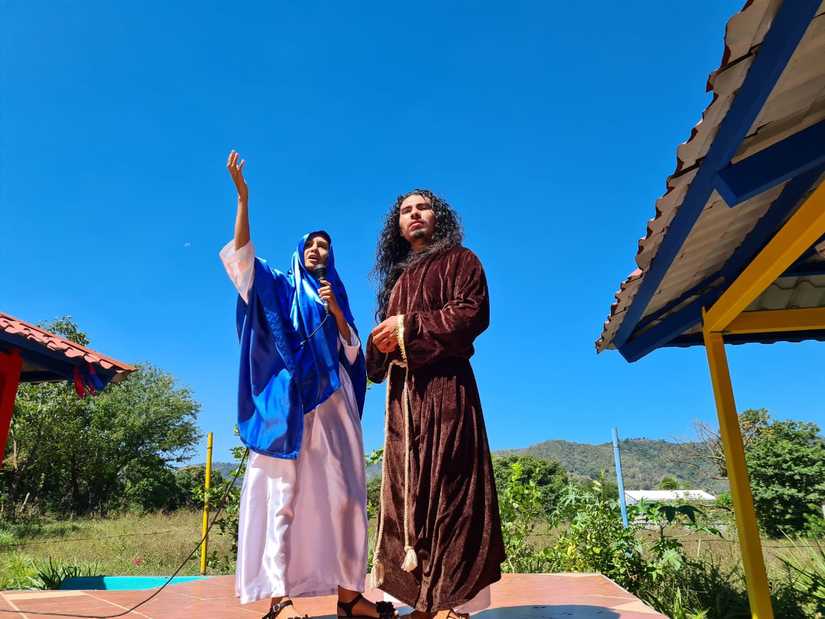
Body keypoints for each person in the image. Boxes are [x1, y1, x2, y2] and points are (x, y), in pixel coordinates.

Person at [221, 151, 395, 619]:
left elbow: (353, 352)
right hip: (290, 404)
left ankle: (349, 596)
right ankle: (279, 597)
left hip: (334, 405)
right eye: (312, 245)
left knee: (346, 497)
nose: (319, 250)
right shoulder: (278, 284)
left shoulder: (336, 294)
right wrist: (243, 199)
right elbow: (242, 261)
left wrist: (336, 311)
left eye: (326, 246)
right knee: (285, 497)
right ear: (301, 251)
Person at [366, 189, 505, 619]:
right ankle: (424, 601)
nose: (414, 214)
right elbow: (382, 351)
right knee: (409, 497)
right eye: (406, 211)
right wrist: (378, 343)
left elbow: (471, 313)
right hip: (403, 403)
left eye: (422, 207)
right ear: (397, 226)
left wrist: (407, 327)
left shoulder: (462, 260)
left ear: (437, 216)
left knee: (452, 489)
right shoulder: (397, 281)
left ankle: (456, 603)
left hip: (447, 391)